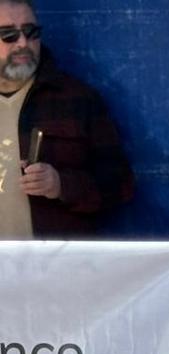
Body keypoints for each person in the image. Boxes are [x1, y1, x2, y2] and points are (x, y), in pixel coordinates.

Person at [0, 0, 133, 239]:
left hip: (57, 268)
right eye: (8, 35)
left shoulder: (77, 99)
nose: (23, 43)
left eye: (31, 32)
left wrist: (61, 185)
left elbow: (120, 184)